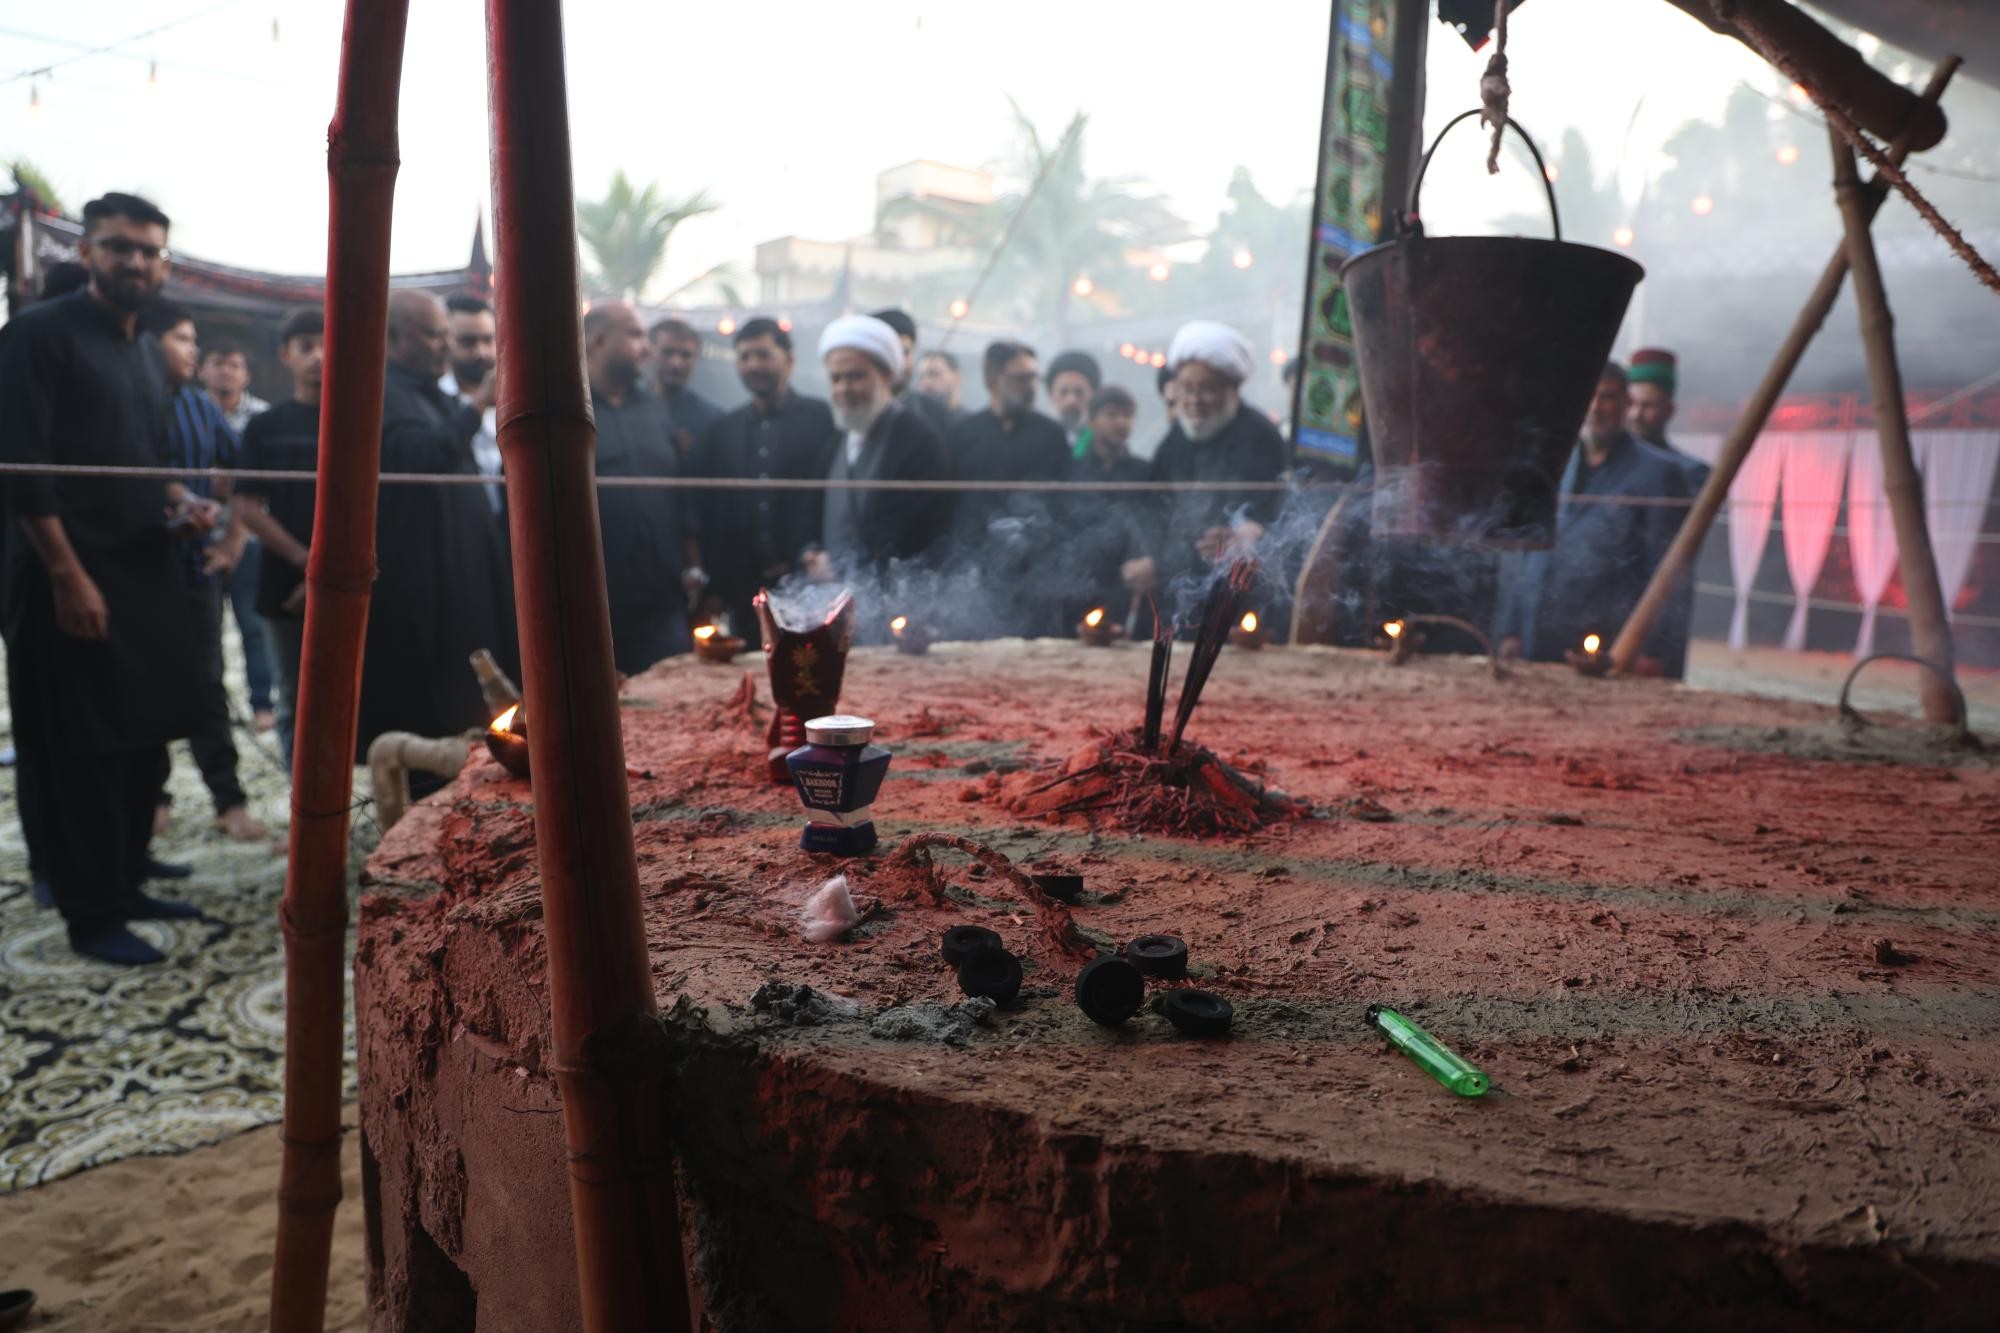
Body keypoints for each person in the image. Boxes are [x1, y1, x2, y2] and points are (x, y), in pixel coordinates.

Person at [0, 192, 207, 964]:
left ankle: (126, 878)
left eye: (150, 251)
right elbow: (21, 468)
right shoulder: (35, 335)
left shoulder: (147, 351)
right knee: (81, 748)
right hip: (63, 570)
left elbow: (144, 459)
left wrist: (180, 500)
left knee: (142, 733)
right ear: (87, 253)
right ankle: (90, 914)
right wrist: (67, 574)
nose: (136, 262)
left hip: (141, 564)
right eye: (121, 247)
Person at [361, 290, 514, 760]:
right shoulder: (384, 395)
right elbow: (421, 457)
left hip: (465, 580)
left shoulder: (433, 397)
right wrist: (478, 404)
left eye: (446, 335)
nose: (444, 346)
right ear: (392, 339)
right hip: (424, 589)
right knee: (432, 707)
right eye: (432, 335)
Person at [147, 302, 267, 843]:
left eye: (193, 340)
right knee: (140, 683)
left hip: (195, 567)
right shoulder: (123, 400)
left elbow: (244, 475)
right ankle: (152, 797)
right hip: (132, 569)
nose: (192, 351)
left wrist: (234, 539)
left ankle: (228, 799)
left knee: (206, 682)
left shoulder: (200, 406)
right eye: (181, 338)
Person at [1496, 363, 1691, 676]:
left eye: (1608, 397)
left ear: (1626, 403)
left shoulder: (1658, 474)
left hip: (1604, 640)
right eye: (1589, 397)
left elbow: (1669, 571)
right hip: (1537, 635)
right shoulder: (1551, 462)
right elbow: (1524, 550)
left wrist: (1652, 649)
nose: (1596, 407)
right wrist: (1511, 628)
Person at [1124, 321, 1288, 604]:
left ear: (1232, 389)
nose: (1194, 400)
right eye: (1186, 388)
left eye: (1207, 389)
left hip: (1235, 597)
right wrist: (1144, 556)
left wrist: (1249, 536)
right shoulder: (1176, 438)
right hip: (1174, 592)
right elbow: (1152, 506)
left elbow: (1265, 520)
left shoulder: (1258, 436)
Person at [695, 316, 835, 637]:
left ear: (789, 359)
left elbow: (825, 496)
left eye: (763, 354)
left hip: (806, 582)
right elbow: (719, 510)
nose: (753, 365)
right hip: (744, 587)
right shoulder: (726, 428)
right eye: (744, 356)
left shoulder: (818, 418)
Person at [584, 300, 704, 674]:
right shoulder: (568, 409)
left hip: (662, 600)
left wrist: (693, 564)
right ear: (599, 341)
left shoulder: (654, 408)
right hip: (592, 603)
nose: (647, 349)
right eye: (635, 335)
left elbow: (680, 493)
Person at [234, 306, 324, 767]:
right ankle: (304, 802)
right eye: (306, 347)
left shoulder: (366, 419)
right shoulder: (265, 427)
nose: (319, 356)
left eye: (327, 345)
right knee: (295, 697)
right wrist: (309, 563)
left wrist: (331, 572)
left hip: (360, 578)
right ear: (285, 355)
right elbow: (246, 507)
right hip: (284, 584)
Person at [808, 315, 951, 584]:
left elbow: (913, 537)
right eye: (836, 378)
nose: (843, 388)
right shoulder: (835, 441)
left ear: (885, 375)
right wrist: (810, 553)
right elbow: (810, 514)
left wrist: (841, 566)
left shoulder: (919, 441)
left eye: (855, 376)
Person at [945, 340, 1072, 636]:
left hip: (1036, 575)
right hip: (977, 572)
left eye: (1033, 378)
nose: (1031, 387)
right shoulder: (962, 434)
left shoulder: (1051, 435)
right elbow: (950, 506)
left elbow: (1063, 505)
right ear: (993, 381)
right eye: (1021, 379)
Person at [196, 339, 279, 731]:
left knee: (253, 626)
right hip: (199, 535)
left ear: (245, 375)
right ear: (203, 370)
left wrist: (231, 485)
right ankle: (211, 709)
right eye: (217, 363)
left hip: (250, 537)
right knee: (204, 628)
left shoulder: (263, 417)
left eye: (233, 365)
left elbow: (266, 482)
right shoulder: (188, 411)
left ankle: (262, 704)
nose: (225, 371)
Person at [1066, 385, 1150, 628]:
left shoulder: (1144, 473)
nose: (1121, 422)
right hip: (1076, 582)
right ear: (1091, 420)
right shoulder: (1071, 470)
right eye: (1112, 414)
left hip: (1125, 583)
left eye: (1128, 415)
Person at [442, 293, 504, 514]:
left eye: (488, 340)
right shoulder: (435, 399)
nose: (481, 352)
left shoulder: (512, 396)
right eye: (468, 342)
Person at [1626, 347, 1712, 489]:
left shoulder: (1691, 473)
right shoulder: (1600, 466)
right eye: (1631, 404)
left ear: (1669, 410)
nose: (1636, 415)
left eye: (1648, 406)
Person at [869, 308, 957, 440]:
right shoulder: (846, 412)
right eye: (890, 353)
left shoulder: (937, 416)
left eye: (904, 352)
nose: (899, 362)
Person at [647, 317, 721, 462]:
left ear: (696, 359)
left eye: (686, 355)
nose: (676, 363)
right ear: (649, 352)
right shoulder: (624, 412)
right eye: (667, 352)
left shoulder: (713, 420)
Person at [1045, 350, 1101, 455]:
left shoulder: (1103, 444)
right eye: (1063, 392)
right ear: (1051, 395)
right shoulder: (1038, 440)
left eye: (1079, 393)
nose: (1071, 400)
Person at [916, 350, 963, 418]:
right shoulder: (911, 421)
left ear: (957, 377)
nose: (925, 382)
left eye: (935, 374)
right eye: (921, 376)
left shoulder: (969, 422)